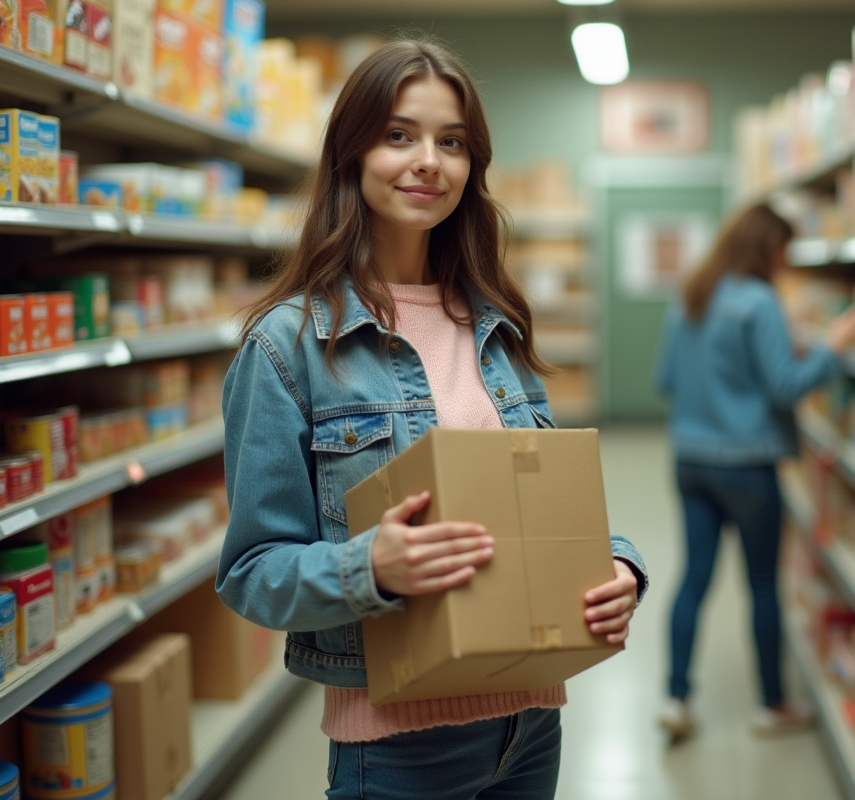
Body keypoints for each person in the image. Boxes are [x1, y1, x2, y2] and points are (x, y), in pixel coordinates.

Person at [217, 38, 648, 800]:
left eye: (452, 142)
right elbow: (253, 573)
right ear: (350, 152)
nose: (429, 162)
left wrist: (617, 567)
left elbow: (550, 509)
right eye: (398, 135)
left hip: (531, 727)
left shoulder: (495, 326)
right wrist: (370, 567)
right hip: (398, 750)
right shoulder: (288, 345)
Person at [655, 202, 855, 741]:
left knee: (693, 578)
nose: (787, 262)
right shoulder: (758, 301)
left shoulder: (691, 294)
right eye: (785, 251)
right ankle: (772, 705)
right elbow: (786, 386)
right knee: (761, 584)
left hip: (689, 459)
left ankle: (676, 699)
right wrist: (833, 349)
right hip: (747, 466)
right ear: (769, 248)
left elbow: (666, 378)